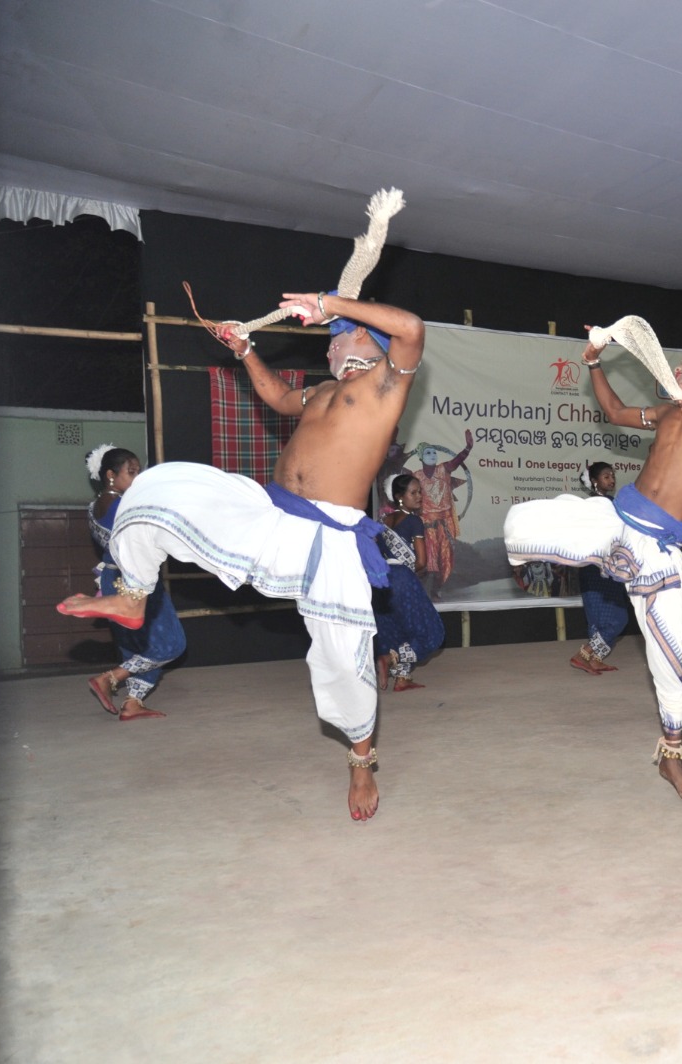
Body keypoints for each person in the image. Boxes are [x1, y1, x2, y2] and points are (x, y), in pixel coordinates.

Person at [61, 292, 425, 820]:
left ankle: (362, 762)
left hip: (329, 541)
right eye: (329, 340)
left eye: (339, 336)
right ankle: (133, 595)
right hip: (272, 516)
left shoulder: (387, 386)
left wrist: (328, 303)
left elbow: (412, 327)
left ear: (368, 339)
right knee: (164, 488)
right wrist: (246, 349)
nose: (330, 349)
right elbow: (278, 399)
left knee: (343, 659)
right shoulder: (323, 392)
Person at [504, 335, 682, 806]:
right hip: (616, 523)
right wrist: (595, 363)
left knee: (672, 663)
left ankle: (672, 756)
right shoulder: (666, 413)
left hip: (658, 554)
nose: (680, 366)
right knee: (518, 525)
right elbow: (615, 412)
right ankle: (548, 558)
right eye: (681, 361)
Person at [81, 445, 186, 721]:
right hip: (135, 580)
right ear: (111, 475)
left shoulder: (94, 508)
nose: (137, 478)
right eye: (132, 472)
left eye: (139, 472)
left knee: (137, 646)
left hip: (111, 578)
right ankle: (109, 678)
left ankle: (132, 703)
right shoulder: (125, 506)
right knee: (170, 645)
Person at [373, 474, 445, 691]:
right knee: (432, 632)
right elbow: (421, 561)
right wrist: (412, 572)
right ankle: (389, 659)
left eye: (420, 492)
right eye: (413, 493)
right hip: (403, 578)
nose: (420, 496)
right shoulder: (414, 521)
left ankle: (401, 678)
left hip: (381, 580)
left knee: (395, 628)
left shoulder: (381, 523)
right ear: (399, 497)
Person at [568, 461, 633, 674]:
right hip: (599, 567)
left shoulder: (610, 503)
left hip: (602, 566)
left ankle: (594, 659)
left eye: (612, 475)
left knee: (598, 619)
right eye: (606, 476)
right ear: (595, 481)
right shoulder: (598, 505)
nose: (611, 479)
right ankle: (583, 654)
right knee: (618, 618)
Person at [416, 430, 475, 598]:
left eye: (434, 452)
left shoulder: (444, 469)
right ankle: (426, 593)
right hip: (425, 528)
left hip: (443, 526)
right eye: (428, 453)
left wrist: (468, 448)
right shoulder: (415, 476)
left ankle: (436, 589)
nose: (432, 455)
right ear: (421, 457)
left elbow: (456, 462)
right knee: (429, 561)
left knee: (446, 559)